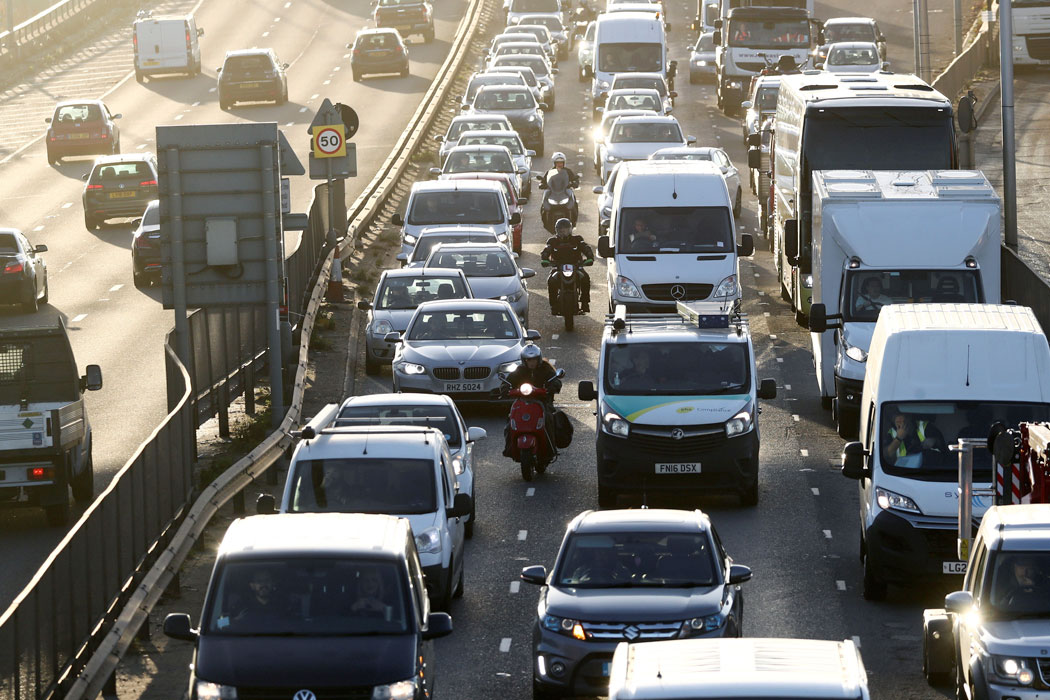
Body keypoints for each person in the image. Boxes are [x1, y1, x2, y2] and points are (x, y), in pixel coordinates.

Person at [503, 344, 561, 456]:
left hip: (543, 402)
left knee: (548, 419)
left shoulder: (546, 368)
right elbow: (509, 381)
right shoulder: (519, 370)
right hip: (521, 401)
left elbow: (556, 380)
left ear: (538, 358)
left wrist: (552, 387)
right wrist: (504, 387)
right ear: (524, 360)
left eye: (534, 359)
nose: (532, 362)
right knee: (510, 421)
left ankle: (550, 449)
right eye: (529, 360)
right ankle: (509, 448)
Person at [541, 218, 593, 313]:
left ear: (570, 230)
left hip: (576, 266)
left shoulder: (577, 239)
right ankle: (554, 305)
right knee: (551, 281)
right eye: (561, 230)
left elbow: (585, 248)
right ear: (556, 231)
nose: (563, 232)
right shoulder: (552, 241)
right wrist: (544, 259)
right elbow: (546, 250)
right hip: (557, 267)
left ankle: (585, 303)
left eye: (565, 230)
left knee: (585, 278)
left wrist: (590, 257)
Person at [564, 545, 634, 584]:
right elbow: (574, 584)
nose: (601, 556)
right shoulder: (581, 571)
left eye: (605, 553)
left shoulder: (622, 571)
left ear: (610, 555)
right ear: (595, 554)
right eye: (599, 553)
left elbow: (628, 586)